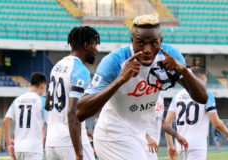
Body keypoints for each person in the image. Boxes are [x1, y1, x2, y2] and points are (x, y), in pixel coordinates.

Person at [77, 15, 208, 160]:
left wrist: (182, 70)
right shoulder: (115, 61)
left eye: (154, 43)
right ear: (132, 41)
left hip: (140, 136)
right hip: (113, 135)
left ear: (161, 41)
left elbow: (202, 98)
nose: (147, 49)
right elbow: (81, 111)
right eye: (140, 43)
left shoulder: (170, 56)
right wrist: (120, 79)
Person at [45, 26, 99, 160]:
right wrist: (79, 153)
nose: (96, 50)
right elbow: (72, 112)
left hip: (51, 142)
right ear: (86, 45)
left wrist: (82, 129)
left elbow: (48, 104)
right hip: (69, 143)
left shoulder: (56, 66)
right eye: (95, 45)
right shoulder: (81, 70)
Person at [164, 66, 228, 160]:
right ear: (203, 78)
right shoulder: (206, 94)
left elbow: (167, 124)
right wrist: (227, 132)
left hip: (180, 144)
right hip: (197, 144)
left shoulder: (177, 96)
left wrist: (170, 145)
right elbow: (216, 123)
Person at [3, 72, 47, 160]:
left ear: (30, 84)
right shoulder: (42, 101)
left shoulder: (17, 100)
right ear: (42, 86)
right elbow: (51, 122)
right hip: (33, 149)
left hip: (18, 148)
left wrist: (8, 144)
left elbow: (5, 122)